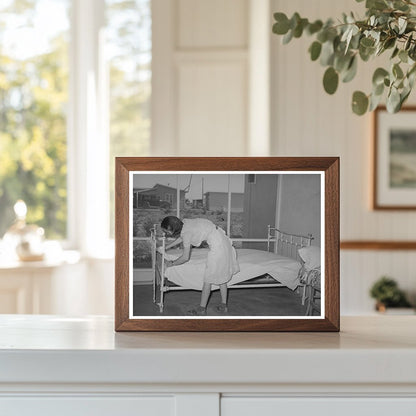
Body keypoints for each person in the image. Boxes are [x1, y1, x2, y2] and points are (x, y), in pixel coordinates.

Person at [160, 216, 239, 316]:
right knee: (221, 277)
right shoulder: (185, 223)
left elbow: (185, 257)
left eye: (166, 231)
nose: (166, 234)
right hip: (223, 241)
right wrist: (166, 247)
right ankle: (224, 306)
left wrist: (171, 263)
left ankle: (201, 309)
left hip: (218, 246)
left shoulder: (186, 232)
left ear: (172, 228)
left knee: (208, 279)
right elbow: (182, 237)